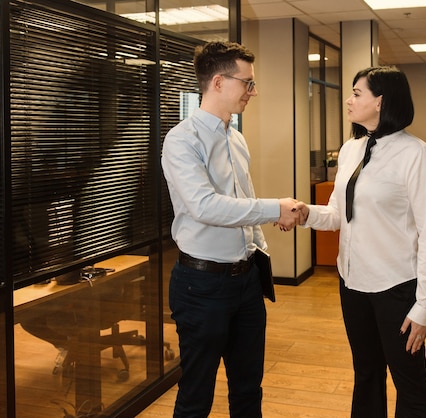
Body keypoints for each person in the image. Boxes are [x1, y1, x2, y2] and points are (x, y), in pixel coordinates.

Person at [294, 66, 426, 417]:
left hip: (396, 288)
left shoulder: (416, 155)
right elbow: (337, 215)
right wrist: (305, 213)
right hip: (352, 284)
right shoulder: (351, 150)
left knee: (410, 381)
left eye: (357, 93)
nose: (349, 100)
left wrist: (424, 306)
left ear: (380, 101)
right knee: (366, 373)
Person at [161, 41, 299, 418]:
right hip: (201, 286)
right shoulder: (181, 140)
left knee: (247, 389)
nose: (253, 92)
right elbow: (204, 206)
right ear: (219, 82)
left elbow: (242, 199)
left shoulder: (236, 139)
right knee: (196, 396)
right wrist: (275, 208)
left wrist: (261, 243)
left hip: (245, 284)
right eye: (247, 83)